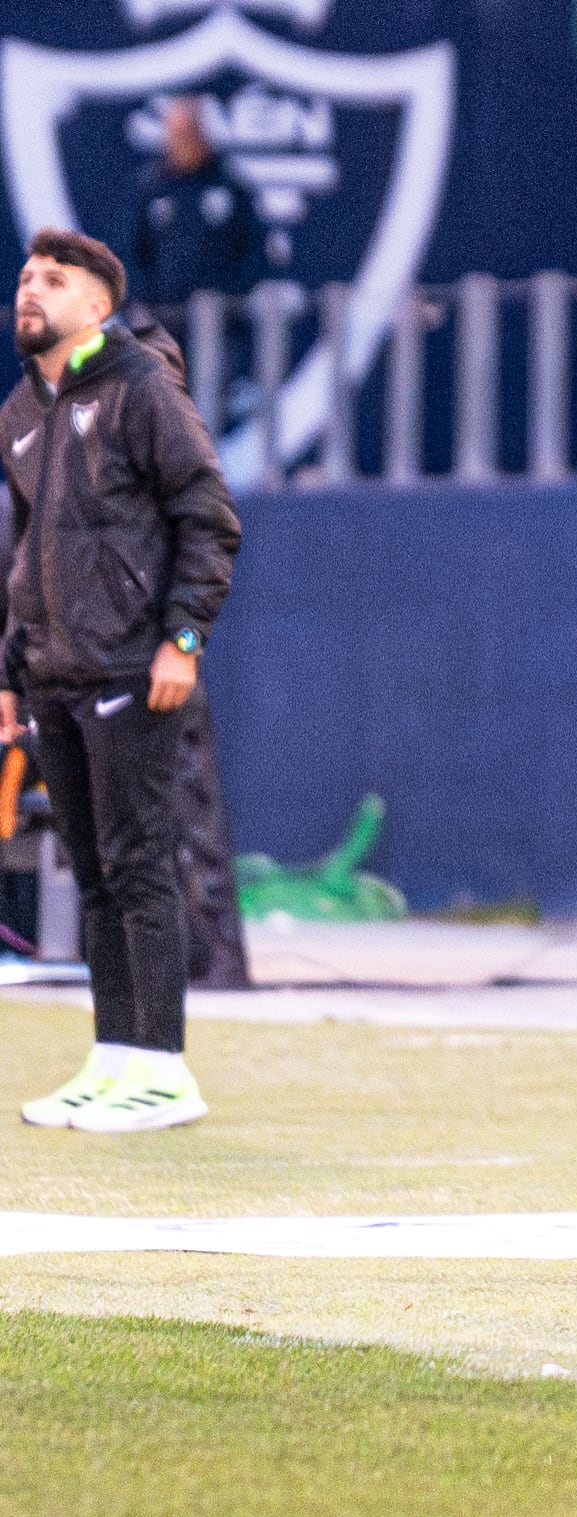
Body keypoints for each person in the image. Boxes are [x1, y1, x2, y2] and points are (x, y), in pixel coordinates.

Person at [6, 228, 242, 1133]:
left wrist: (182, 639)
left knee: (142, 866)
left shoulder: (144, 389)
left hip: (132, 670)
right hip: (55, 674)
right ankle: (113, 1057)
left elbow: (209, 518)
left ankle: (164, 1068)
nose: (31, 290)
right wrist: (9, 672)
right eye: (26, 277)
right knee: (97, 875)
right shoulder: (22, 411)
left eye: (53, 280)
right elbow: (19, 555)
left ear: (97, 305)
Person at [127, 97, 262, 317]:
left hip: (222, 322)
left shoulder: (230, 185)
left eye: (189, 132)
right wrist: (142, 298)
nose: (182, 143)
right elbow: (128, 249)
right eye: (176, 134)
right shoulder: (151, 187)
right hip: (162, 319)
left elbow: (256, 249)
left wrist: (231, 296)